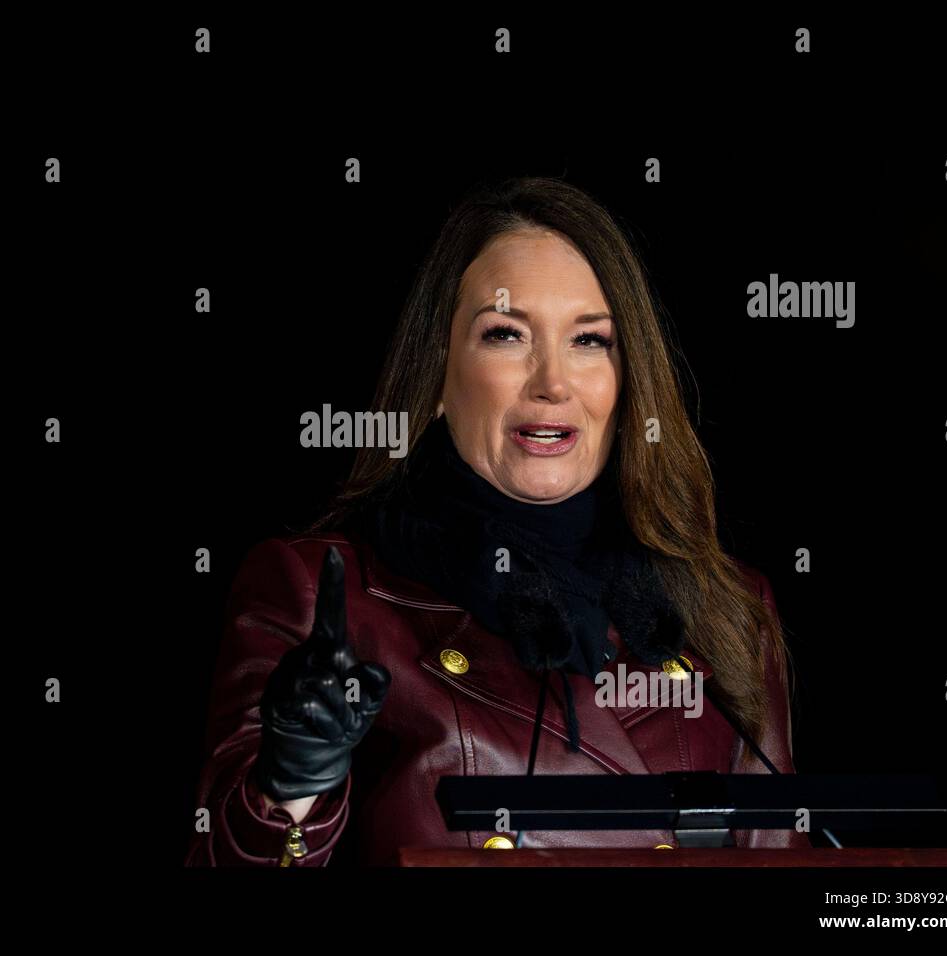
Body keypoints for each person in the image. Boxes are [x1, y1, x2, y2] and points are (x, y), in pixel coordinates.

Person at [185, 176, 807, 866]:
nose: (552, 382)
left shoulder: (729, 608)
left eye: (590, 341)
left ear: (626, 380)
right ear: (441, 376)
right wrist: (293, 790)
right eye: (507, 334)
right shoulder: (322, 593)